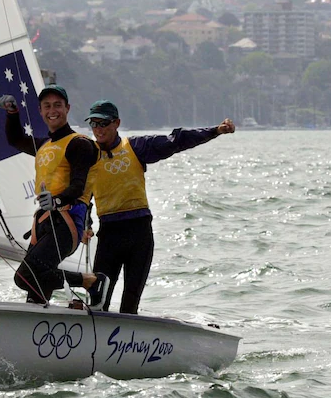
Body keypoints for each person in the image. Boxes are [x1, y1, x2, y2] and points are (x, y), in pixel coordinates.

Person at [84, 100, 235, 314]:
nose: (98, 129)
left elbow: (176, 140)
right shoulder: (88, 157)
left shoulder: (135, 147)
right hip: (109, 234)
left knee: (130, 302)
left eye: (103, 123)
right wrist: (85, 224)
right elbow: (82, 199)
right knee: (98, 300)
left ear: (116, 123)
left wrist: (215, 131)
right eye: (93, 124)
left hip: (139, 234)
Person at [0, 85, 110, 309]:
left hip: (67, 222)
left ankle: (91, 281)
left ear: (67, 108)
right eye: (47, 106)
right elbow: (15, 139)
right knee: (34, 284)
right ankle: (38, 322)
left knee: (24, 276)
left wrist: (57, 200)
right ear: (40, 111)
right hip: (44, 223)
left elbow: (78, 185)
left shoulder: (80, 143)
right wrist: (12, 113)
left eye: (58, 105)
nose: (52, 110)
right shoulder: (43, 145)